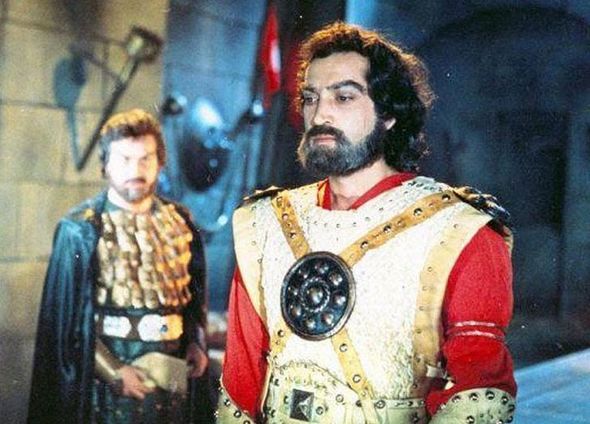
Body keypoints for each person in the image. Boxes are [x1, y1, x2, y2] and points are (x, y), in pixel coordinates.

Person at [217, 22, 516, 423]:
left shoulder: (459, 231)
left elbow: (477, 397)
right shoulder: (264, 225)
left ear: (389, 113)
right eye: (310, 98)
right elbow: (241, 383)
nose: (319, 113)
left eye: (343, 97)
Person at [28, 109, 212, 423]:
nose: (135, 170)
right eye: (124, 159)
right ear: (105, 164)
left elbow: (194, 298)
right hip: (105, 387)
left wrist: (197, 341)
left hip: (172, 381)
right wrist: (112, 370)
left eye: (146, 159)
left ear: (160, 162)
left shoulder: (181, 222)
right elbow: (66, 327)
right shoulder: (81, 230)